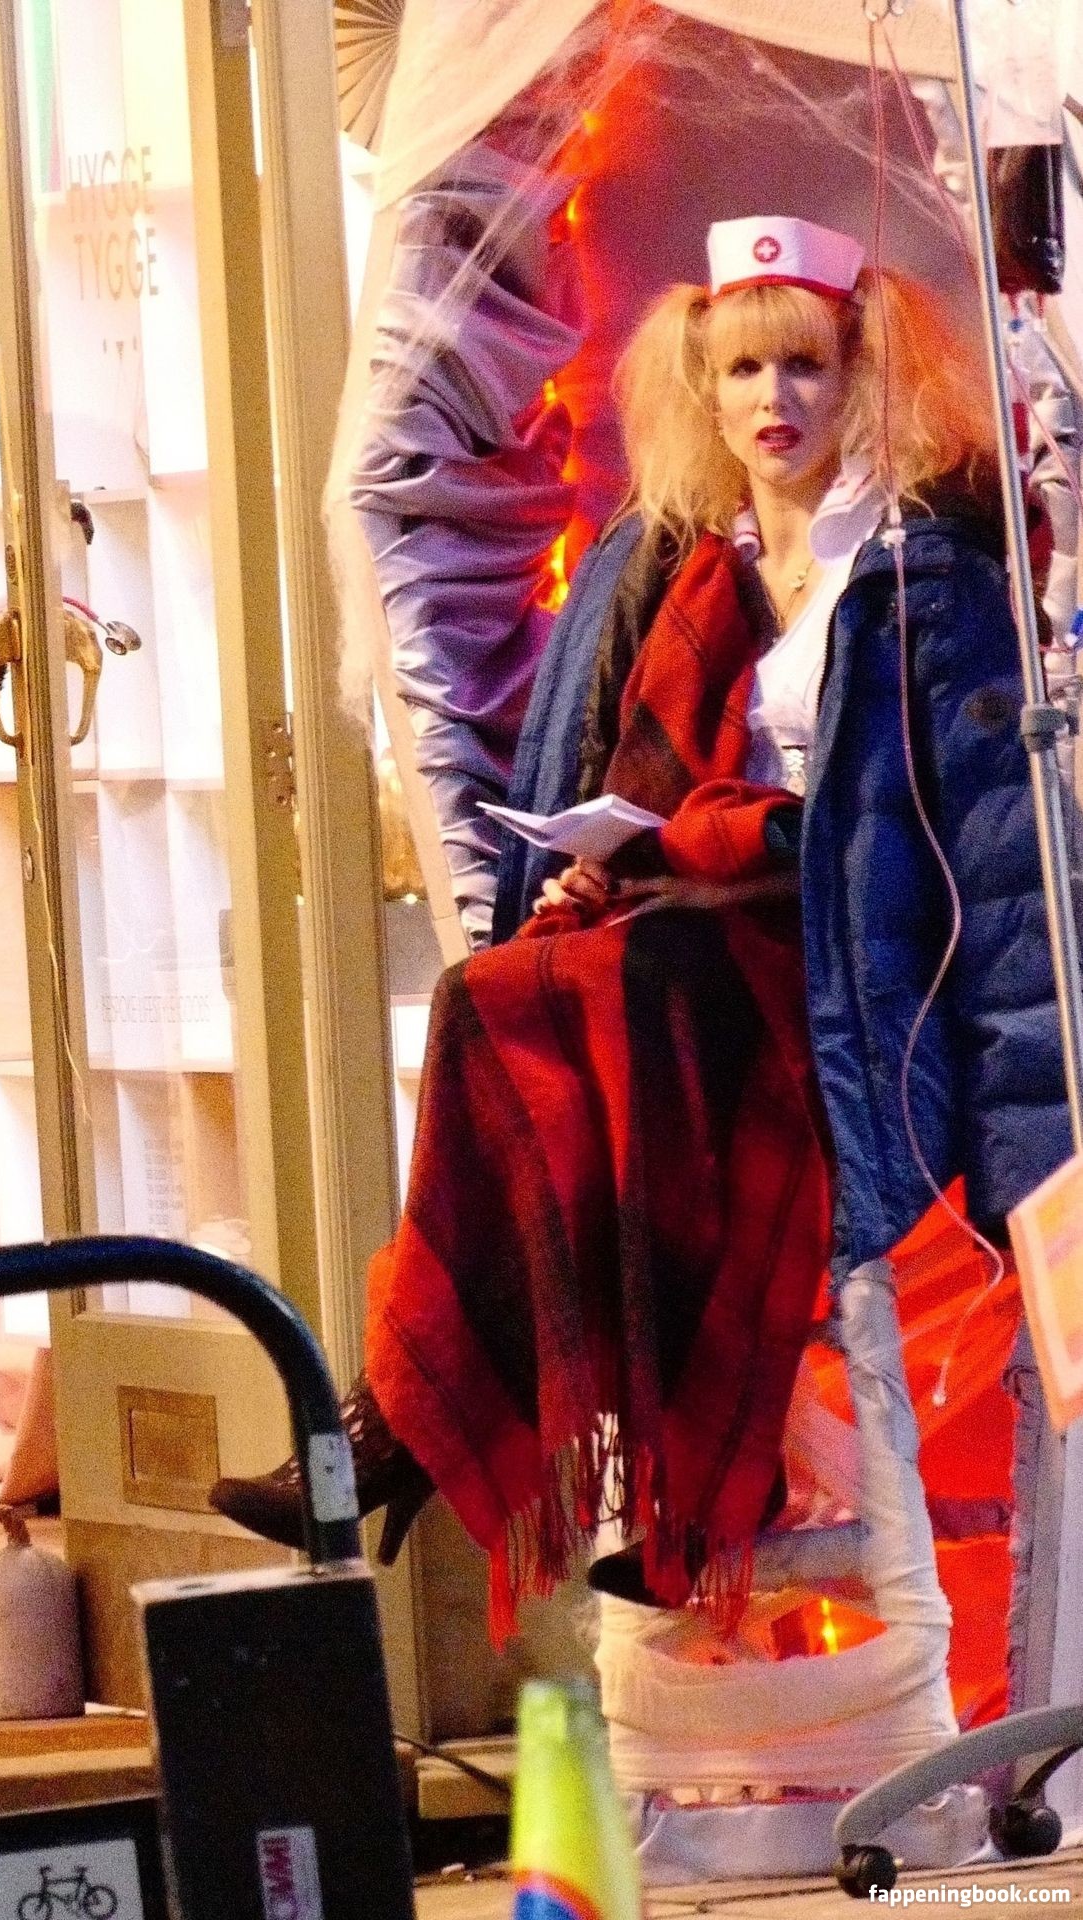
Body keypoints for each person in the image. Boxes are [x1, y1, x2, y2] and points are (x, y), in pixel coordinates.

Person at [212, 217, 1068, 1631]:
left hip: (855, 987)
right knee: (493, 994)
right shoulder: (677, 569)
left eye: (805, 365)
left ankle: (525, 1448)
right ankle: (410, 1409)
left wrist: (1033, 1151)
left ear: (862, 375)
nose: (774, 400)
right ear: (704, 388)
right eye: (744, 370)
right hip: (705, 934)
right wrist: (598, 874)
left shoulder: (927, 582)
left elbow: (985, 860)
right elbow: (628, 786)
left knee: (639, 987)